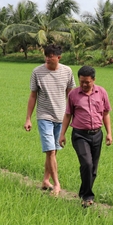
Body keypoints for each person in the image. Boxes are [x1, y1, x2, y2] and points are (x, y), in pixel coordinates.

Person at [25, 44, 76, 195]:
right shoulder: (37, 72)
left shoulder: (67, 71)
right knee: (51, 151)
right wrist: (28, 118)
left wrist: (73, 116)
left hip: (61, 117)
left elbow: (71, 96)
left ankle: (46, 180)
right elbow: (33, 96)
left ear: (59, 57)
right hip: (44, 116)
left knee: (53, 151)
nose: (47, 58)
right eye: (46, 56)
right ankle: (57, 184)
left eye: (51, 56)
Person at [58, 66, 113, 207]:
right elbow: (68, 115)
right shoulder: (73, 94)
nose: (84, 84)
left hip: (97, 134)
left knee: (93, 168)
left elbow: (106, 114)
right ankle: (87, 197)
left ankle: (83, 193)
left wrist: (109, 133)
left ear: (93, 80)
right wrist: (62, 134)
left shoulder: (102, 92)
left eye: (87, 82)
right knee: (87, 164)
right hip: (80, 135)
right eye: (81, 81)